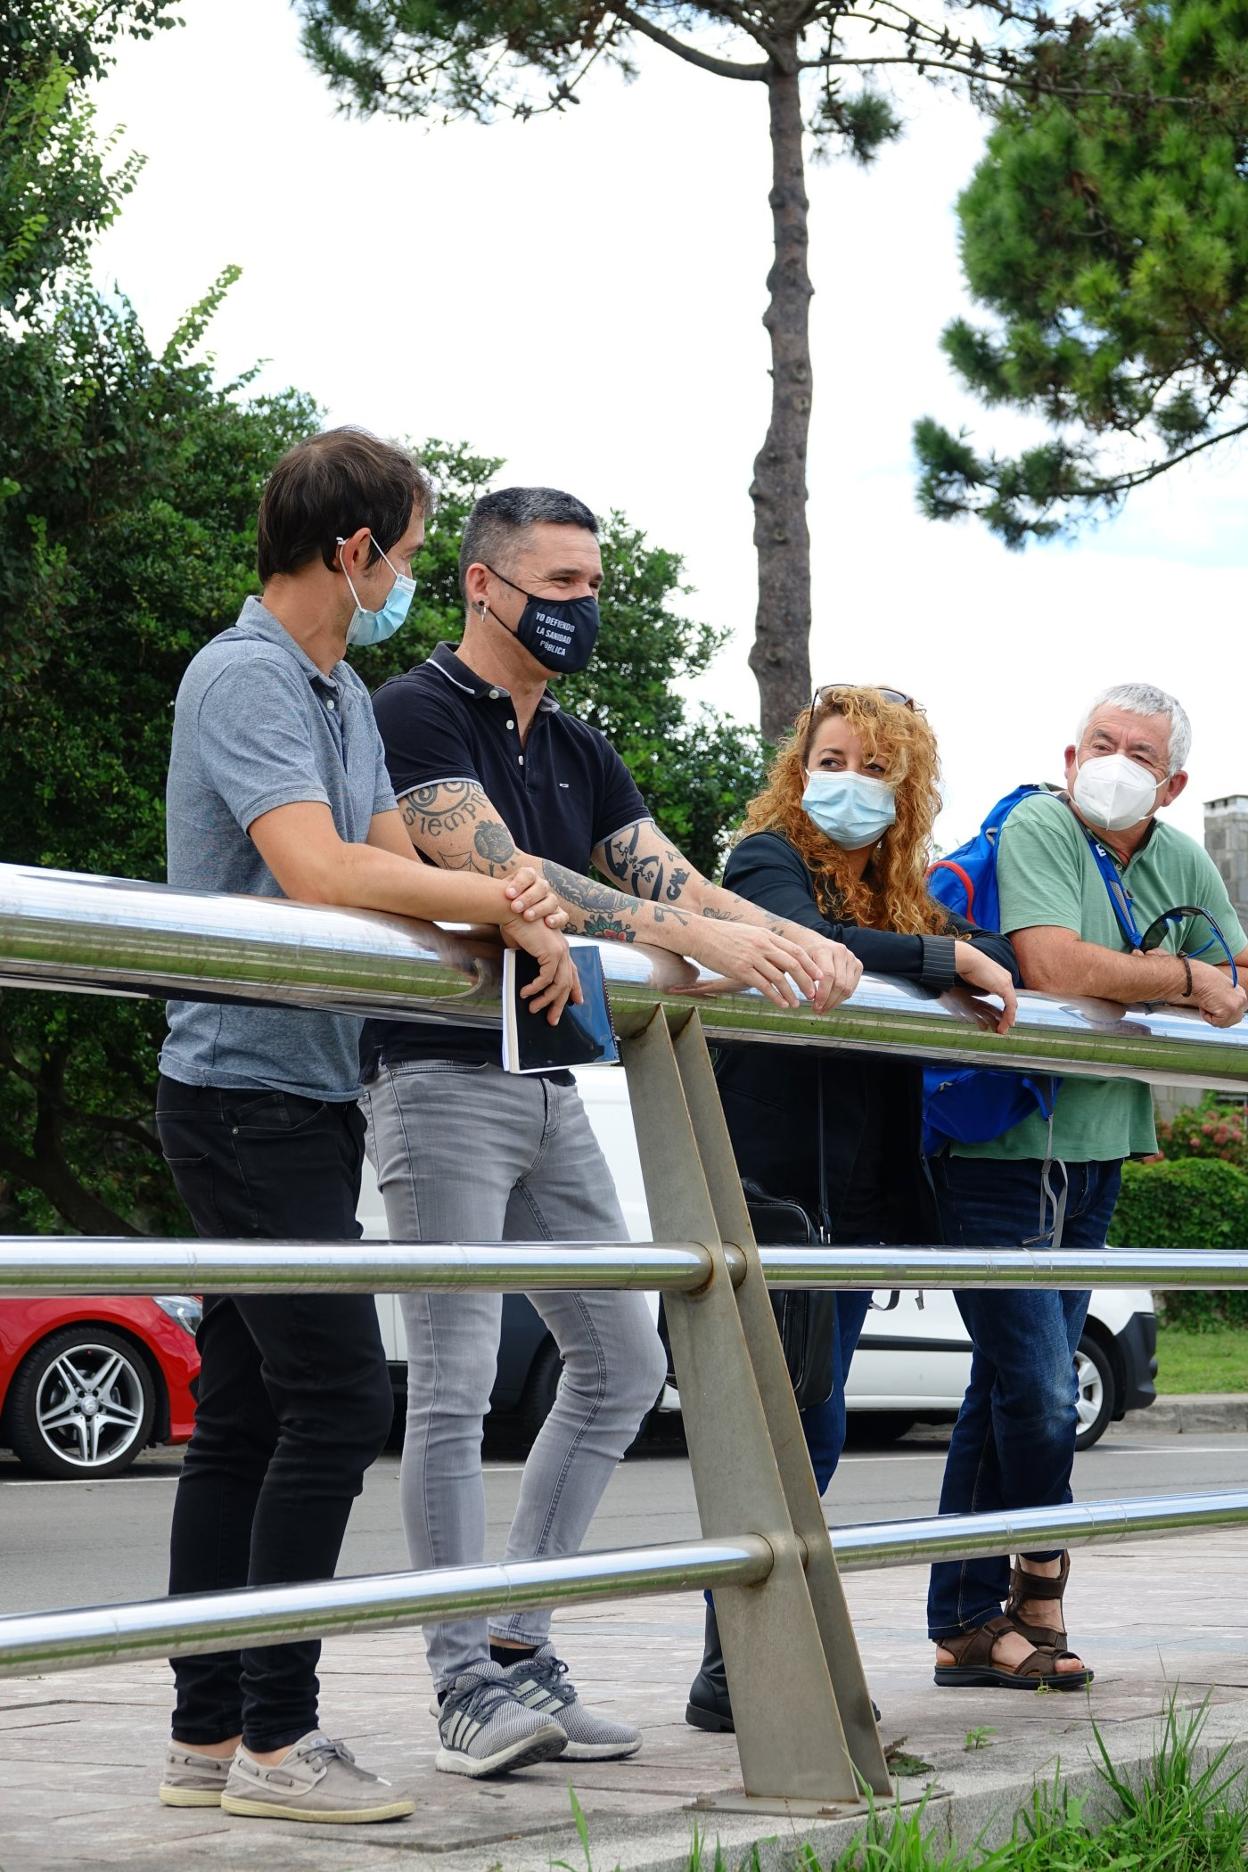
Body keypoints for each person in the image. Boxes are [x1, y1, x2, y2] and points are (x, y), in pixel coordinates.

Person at [361, 486, 864, 1780]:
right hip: (438, 1077)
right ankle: (462, 1681)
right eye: (564, 583)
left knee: (623, 1362)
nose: (587, 605)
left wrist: (793, 938)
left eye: (595, 583)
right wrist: (701, 938)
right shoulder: (413, 713)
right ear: (484, 584)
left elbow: (661, 871)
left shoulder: (579, 746)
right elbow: (505, 875)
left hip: (550, 1078)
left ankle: (523, 1656)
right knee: (459, 1379)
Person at [155, 431, 576, 1826]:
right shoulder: (247, 675)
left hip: (304, 1087)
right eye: (404, 551)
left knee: (252, 1409)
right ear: (357, 551)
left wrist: (513, 900)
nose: (405, 578)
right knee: (337, 1394)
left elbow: (396, 847)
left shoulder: (333, 689)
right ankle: (281, 1742)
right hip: (240, 1087)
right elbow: (318, 868)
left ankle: (209, 1736)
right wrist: (505, 906)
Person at [681, 683, 1021, 1732]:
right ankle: (734, 1674)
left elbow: (987, 957)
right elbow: (789, 936)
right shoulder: (762, 858)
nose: (848, 786)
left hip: (856, 1208)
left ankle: (748, 1668)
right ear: (800, 766)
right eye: (831, 761)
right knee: (789, 1438)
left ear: (907, 787)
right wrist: (940, 962)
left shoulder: (905, 896)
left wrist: (957, 953)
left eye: (876, 769)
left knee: (810, 1441)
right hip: (769, 1195)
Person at [927, 682, 1248, 1691]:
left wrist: (1185, 979)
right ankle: (1037, 1584)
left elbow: (1236, 977)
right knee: (1036, 1390)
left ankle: (965, 1624)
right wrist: (1180, 979)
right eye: (1098, 743)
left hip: (1100, 1148)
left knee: (1002, 1389)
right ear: (1069, 759)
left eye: (1138, 751)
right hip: (998, 1149)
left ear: (1174, 780)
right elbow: (1057, 965)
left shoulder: (1181, 857)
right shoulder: (1037, 824)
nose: (1112, 761)